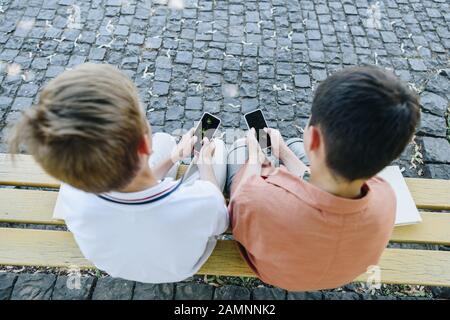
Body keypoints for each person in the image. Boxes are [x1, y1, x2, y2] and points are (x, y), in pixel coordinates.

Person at [9, 63, 229, 284]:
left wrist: (173, 158)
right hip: (181, 266)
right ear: (144, 145)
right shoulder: (201, 201)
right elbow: (221, 219)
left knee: (164, 142)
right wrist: (205, 164)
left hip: (116, 262)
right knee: (215, 150)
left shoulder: (73, 192)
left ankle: (171, 156)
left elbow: (130, 188)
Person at [227, 66, 421, 291]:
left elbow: (239, 207)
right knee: (293, 146)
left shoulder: (256, 200)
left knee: (239, 152)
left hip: (275, 273)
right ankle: (287, 149)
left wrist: (253, 156)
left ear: (315, 140)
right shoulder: (386, 196)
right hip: (339, 271)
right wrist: (284, 153)